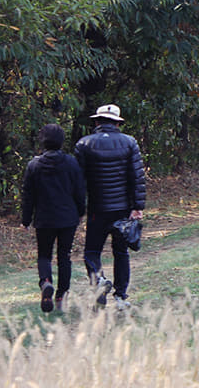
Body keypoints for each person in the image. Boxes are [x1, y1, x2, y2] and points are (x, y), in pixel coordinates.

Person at [75, 104, 146, 311]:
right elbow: (137, 177)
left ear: (97, 122)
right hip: (122, 208)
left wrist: (80, 209)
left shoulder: (84, 144)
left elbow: (79, 182)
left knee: (91, 251)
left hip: (97, 209)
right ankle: (121, 297)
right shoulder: (129, 143)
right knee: (121, 252)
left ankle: (98, 281)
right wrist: (137, 206)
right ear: (117, 123)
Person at [21, 124, 85, 313]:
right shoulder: (72, 163)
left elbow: (28, 195)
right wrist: (81, 211)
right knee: (64, 256)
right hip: (67, 217)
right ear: (61, 141)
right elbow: (79, 191)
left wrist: (26, 219)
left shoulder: (34, 165)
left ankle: (46, 282)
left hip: (44, 218)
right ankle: (61, 295)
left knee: (44, 255)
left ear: (43, 141)